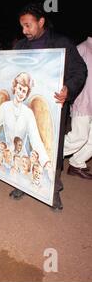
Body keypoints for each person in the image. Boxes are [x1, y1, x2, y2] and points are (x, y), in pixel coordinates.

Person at [8, 3, 87, 210]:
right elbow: (9, 75)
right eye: (22, 26)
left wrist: (68, 90)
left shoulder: (61, 44)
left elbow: (79, 70)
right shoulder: (20, 47)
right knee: (23, 145)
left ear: (41, 22)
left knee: (50, 151)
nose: (24, 31)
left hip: (52, 110)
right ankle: (23, 184)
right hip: (24, 109)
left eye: (28, 25)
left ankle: (53, 192)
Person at [0, 72, 52, 176]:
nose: (21, 93)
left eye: (24, 91)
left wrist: (46, 162)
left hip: (22, 158)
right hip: (7, 154)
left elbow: (35, 139)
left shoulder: (28, 113)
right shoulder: (4, 107)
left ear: (26, 94)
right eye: (20, 88)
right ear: (15, 87)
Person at [63, 36, 92, 180]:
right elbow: (70, 73)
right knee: (79, 137)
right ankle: (49, 153)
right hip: (83, 100)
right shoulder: (82, 48)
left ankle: (77, 164)